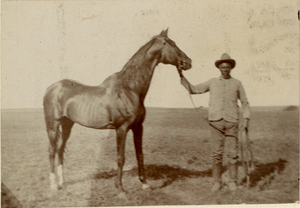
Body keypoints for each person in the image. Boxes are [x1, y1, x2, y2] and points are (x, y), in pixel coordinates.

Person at [178, 53, 251, 192]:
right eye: (222, 67)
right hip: (215, 123)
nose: (225, 69)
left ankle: (232, 182)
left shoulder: (237, 83)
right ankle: (217, 182)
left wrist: (246, 119)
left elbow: (245, 103)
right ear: (219, 68)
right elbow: (194, 89)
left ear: (231, 68)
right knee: (216, 154)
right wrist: (182, 77)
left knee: (232, 154)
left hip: (232, 123)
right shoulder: (212, 82)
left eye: (227, 67)